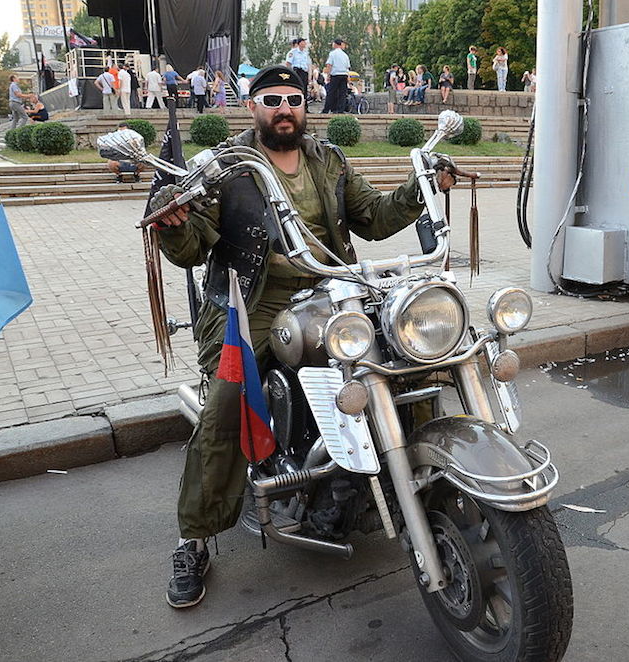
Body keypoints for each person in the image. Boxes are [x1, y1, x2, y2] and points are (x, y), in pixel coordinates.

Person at [148, 64, 456, 608]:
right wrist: (175, 224)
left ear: (305, 103)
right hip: (251, 300)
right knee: (225, 405)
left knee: (417, 358)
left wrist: (419, 188)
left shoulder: (328, 159)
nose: (284, 108)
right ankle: (193, 537)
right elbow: (195, 249)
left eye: (293, 98)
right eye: (271, 99)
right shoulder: (228, 167)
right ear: (252, 106)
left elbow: (374, 217)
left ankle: (416, 475)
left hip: (336, 287)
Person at [322, 38, 350, 113]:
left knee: (331, 93)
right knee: (342, 94)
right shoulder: (345, 55)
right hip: (344, 75)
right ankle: (340, 109)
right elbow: (347, 68)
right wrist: (348, 77)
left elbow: (329, 65)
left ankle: (326, 109)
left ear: (336, 44)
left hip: (335, 75)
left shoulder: (332, 54)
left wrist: (328, 75)